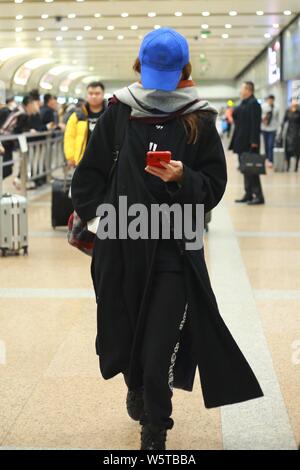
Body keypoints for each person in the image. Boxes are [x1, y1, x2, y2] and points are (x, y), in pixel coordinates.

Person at [71, 27, 263, 450]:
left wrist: (183, 178)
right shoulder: (119, 112)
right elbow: (88, 176)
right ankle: (135, 385)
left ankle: (155, 431)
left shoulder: (198, 117)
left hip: (173, 252)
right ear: (138, 66)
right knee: (124, 337)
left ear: (183, 71)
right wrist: (100, 224)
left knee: (158, 350)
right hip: (121, 249)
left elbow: (213, 185)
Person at [229, 81, 265, 205]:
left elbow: (256, 124)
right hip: (241, 141)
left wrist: (254, 141)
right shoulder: (244, 103)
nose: (240, 91)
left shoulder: (254, 104)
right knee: (245, 169)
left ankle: (259, 196)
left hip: (250, 142)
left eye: (242, 88)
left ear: (248, 90)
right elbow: (236, 115)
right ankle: (248, 194)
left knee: (252, 169)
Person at [64, 82, 106, 168]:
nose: (94, 96)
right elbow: (70, 136)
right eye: (91, 93)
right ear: (87, 95)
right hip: (83, 159)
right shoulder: (78, 115)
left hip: (105, 159)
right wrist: (70, 157)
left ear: (103, 94)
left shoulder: (109, 114)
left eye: (97, 93)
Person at [280, 97, 300, 172]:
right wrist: (281, 131)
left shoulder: (299, 111)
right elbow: (284, 121)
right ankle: (288, 166)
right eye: (293, 101)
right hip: (289, 132)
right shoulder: (288, 110)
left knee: (297, 150)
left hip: (297, 132)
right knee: (288, 149)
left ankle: (296, 166)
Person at [261, 94, 280, 167]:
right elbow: (260, 116)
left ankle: (270, 160)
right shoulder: (263, 106)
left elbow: (277, 118)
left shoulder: (276, 107)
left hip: (273, 129)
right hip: (264, 128)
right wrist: (265, 117)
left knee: (271, 144)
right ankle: (267, 158)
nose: (270, 101)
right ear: (267, 100)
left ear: (273, 100)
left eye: (272, 100)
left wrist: (278, 128)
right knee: (266, 144)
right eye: (269, 100)